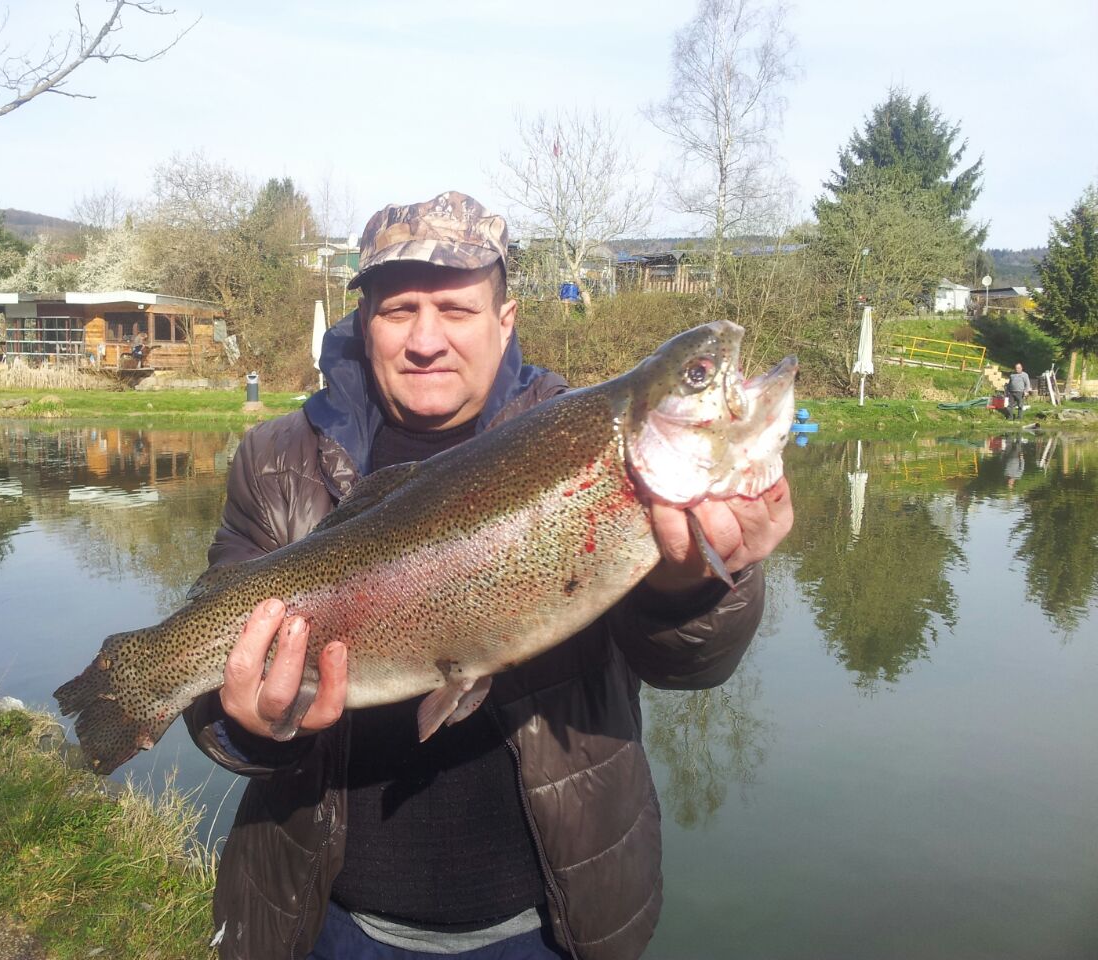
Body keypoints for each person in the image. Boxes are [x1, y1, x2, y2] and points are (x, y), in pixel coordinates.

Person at [183, 191, 794, 960]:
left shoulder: (582, 441)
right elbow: (206, 678)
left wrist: (696, 587)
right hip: (325, 920)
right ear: (364, 322)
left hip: (549, 925)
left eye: (456, 310)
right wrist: (252, 727)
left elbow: (692, 667)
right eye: (399, 310)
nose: (425, 339)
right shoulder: (275, 462)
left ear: (506, 321)